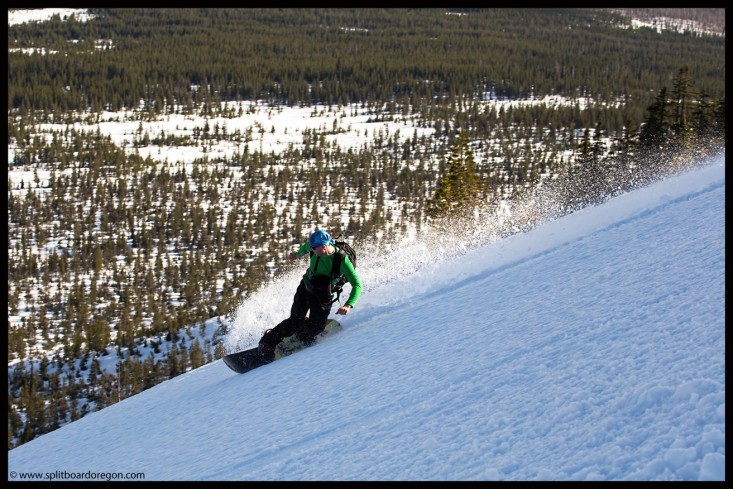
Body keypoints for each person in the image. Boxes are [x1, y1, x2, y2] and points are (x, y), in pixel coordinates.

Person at [258, 230, 362, 362]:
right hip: (306, 288)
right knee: (294, 321)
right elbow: (305, 248)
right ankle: (266, 344)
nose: (311, 249)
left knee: (316, 328)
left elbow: (357, 285)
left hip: (323, 297)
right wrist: (296, 255)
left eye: (313, 248)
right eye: (311, 247)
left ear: (324, 247)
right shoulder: (314, 247)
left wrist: (348, 305)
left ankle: (305, 331)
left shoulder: (342, 260)